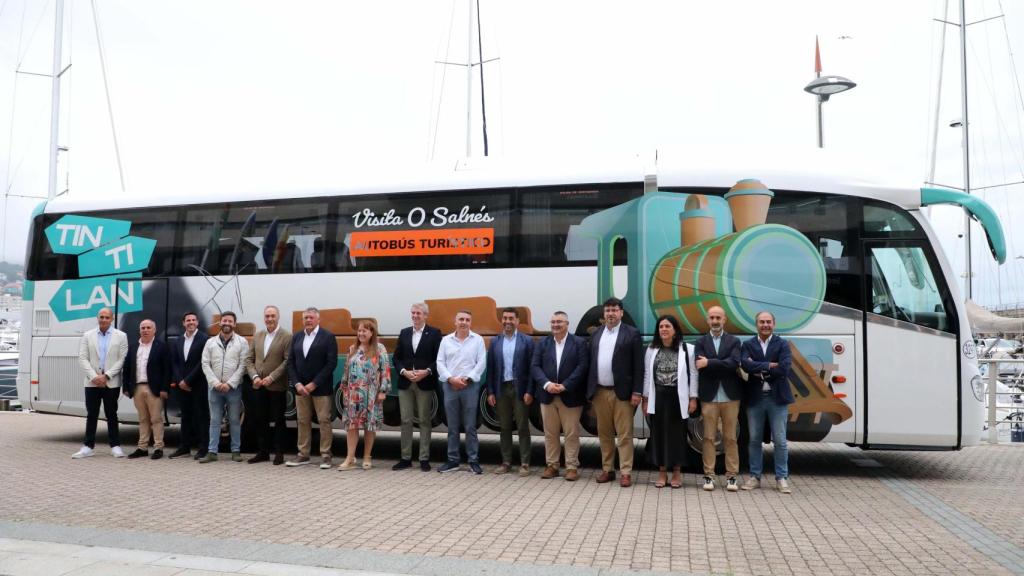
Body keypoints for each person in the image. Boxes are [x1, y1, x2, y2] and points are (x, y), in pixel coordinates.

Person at [586, 297, 644, 488]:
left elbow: (638, 366)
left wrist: (637, 391)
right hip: (600, 392)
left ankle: (625, 472)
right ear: (604, 314)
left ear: (621, 313)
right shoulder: (596, 334)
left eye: (614, 310)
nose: (610, 313)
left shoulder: (632, 334)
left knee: (625, 434)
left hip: (623, 393)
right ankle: (608, 469)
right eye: (607, 310)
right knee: (604, 433)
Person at [531, 311, 589, 481]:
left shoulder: (578, 343)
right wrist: (547, 384)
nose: (555, 325)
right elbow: (535, 366)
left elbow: (582, 367)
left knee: (571, 433)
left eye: (559, 322)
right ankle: (552, 466)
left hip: (570, 395)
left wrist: (565, 385)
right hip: (547, 395)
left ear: (567, 324)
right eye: (553, 322)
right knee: (550, 433)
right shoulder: (543, 343)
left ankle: (571, 467)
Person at [740, 311, 794, 494]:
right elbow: (745, 365)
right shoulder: (748, 344)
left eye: (768, 322)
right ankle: (754, 477)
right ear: (756, 324)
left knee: (780, 440)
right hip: (755, 398)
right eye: (762, 322)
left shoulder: (782, 344)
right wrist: (769, 365)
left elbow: (784, 368)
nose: (765, 325)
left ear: (774, 324)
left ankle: (782, 478)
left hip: (776, 398)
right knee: (754, 440)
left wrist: (758, 368)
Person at [642, 315, 698, 488]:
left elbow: (694, 374)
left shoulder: (687, 349)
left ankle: (676, 473)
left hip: (678, 398)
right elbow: (647, 374)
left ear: (675, 330)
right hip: (658, 397)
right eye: (661, 327)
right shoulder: (651, 349)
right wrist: (645, 399)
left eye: (667, 326)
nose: (664, 329)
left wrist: (693, 398)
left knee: (677, 436)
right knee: (658, 435)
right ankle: (661, 473)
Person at [693, 306, 743, 492]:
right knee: (708, 438)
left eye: (718, 318)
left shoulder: (734, 341)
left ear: (724, 320)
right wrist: (720, 364)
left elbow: (734, 363)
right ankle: (709, 475)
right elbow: (700, 365)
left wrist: (709, 362)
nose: (715, 321)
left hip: (731, 397)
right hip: (709, 397)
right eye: (712, 317)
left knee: (730, 438)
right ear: (707, 320)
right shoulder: (700, 342)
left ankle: (732, 476)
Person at [392, 303, 442, 472]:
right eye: (413, 313)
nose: (415, 316)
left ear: (425, 315)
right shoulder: (404, 332)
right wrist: (403, 371)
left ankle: (424, 458)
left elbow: (439, 359)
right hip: (405, 382)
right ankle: (405, 458)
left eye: (418, 313)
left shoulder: (434, 333)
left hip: (425, 382)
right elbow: (396, 358)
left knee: (424, 420)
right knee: (405, 420)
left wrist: (426, 372)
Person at [72, 307, 128, 459]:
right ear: (97, 318)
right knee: (92, 414)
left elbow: (122, 359)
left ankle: (115, 446)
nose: (104, 320)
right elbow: (82, 358)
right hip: (92, 382)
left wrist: (107, 376)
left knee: (112, 414)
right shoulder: (87, 335)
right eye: (101, 317)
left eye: (107, 317)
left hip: (111, 382)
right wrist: (94, 377)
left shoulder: (121, 336)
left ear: (112, 319)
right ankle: (88, 447)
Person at [286, 307, 338, 469]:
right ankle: (303, 454)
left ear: (318, 319)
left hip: (321, 388)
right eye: (306, 318)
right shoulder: (297, 337)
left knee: (324, 421)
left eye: (311, 317)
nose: (308, 320)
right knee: (302, 421)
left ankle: (326, 456)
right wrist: (297, 383)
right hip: (300, 389)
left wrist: (314, 383)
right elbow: (290, 362)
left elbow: (331, 363)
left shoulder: (328, 337)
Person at [436, 310, 486, 474]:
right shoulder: (446, 340)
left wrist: (467, 379)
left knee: (470, 426)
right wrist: (451, 379)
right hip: (450, 386)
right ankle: (453, 460)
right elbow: (440, 362)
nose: (464, 322)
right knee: (452, 426)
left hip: (469, 386)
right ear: (455, 322)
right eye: (461, 319)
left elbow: (481, 362)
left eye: (467, 320)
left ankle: (473, 460)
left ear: (470, 322)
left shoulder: (478, 340)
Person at [486, 307, 535, 476]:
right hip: (501, 389)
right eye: (505, 318)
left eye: (511, 318)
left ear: (517, 321)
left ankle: (525, 463)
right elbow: (491, 369)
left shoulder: (527, 341)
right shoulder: (495, 341)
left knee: (522, 427)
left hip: (520, 389)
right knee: (504, 427)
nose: (507, 321)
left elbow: (532, 369)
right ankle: (506, 462)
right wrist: (490, 392)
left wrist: (530, 391)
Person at [337, 320, 391, 470]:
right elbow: (346, 370)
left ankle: (367, 457)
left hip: (371, 394)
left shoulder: (380, 348)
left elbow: (385, 371)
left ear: (372, 333)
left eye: (364, 331)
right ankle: (350, 458)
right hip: (353, 394)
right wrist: (344, 388)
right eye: (359, 331)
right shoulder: (352, 348)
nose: (361, 333)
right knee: (352, 426)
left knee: (369, 425)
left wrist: (383, 391)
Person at [245, 305, 292, 465]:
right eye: (267, 316)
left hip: (277, 386)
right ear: (264, 318)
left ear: (278, 317)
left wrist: (272, 377)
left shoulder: (287, 336)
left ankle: (279, 453)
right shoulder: (258, 335)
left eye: (272, 316)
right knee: (260, 420)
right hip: (259, 386)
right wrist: (254, 376)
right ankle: (263, 452)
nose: (270, 319)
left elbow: (287, 361)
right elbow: (249, 359)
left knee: (279, 420)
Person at [199, 312, 248, 463]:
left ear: (234, 324)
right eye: (224, 320)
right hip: (214, 388)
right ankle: (212, 452)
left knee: (234, 420)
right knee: (214, 421)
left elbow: (243, 365)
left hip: (233, 389)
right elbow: (205, 363)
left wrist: (230, 384)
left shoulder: (242, 342)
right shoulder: (210, 342)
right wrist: (215, 383)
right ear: (220, 323)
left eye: (230, 321)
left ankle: (236, 451)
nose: (227, 323)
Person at [123, 319, 172, 460]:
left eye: (148, 328)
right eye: (143, 328)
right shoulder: (133, 347)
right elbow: (127, 368)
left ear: (154, 330)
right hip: (137, 387)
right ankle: (142, 447)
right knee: (143, 419)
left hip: (154, 389)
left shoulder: (161, 347)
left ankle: (158, 447)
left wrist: (164, 388)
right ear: (139, 330)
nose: (145, 330)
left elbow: (167, 369)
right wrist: (126, 387)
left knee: (156, 419)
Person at [169, 312, 210, 460]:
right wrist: (180, 381)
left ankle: (203, 448)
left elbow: (202, 362)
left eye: (193, 320)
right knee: (185, 416)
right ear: (183, 323)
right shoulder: (179, 340)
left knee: (202, 417)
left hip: (198, 384)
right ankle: (184, 447)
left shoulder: (205, 339)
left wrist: (188, 380)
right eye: (188, 320)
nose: (191, 322)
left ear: (197, 322)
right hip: (182, 386)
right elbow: (175, 362)